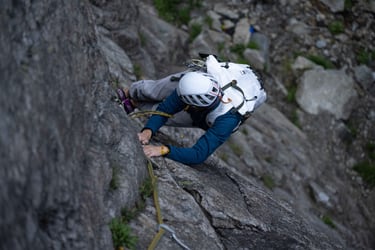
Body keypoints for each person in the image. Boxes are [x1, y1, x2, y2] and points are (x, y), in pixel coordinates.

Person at [116, 55, 266, 165]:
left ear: (196, 105)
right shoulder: (196, 82)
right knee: (154, 90)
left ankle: (135, 103)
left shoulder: (227, 120)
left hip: (216, 109)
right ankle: (130, 92)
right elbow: (167, 107)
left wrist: (162, 150)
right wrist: (147, 131)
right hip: (210, 86)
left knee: (161, 114)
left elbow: (198, 154)